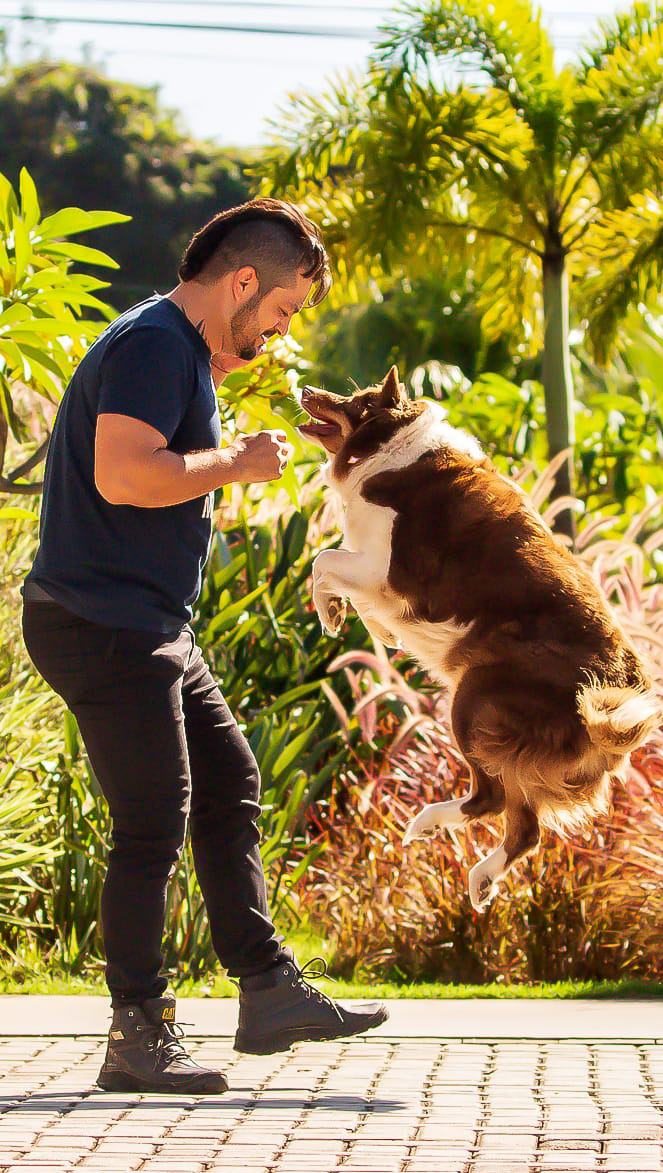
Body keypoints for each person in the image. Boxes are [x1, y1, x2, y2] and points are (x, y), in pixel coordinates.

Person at [21, 198, 387, 1095]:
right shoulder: (155, 344)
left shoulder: (175, 348)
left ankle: (265, 991)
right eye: (284, 308)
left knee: (229, 782)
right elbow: (122, 472)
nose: (281, 326)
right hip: (103, 620)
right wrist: (238, 463)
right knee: (152, 821)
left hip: (147, 624)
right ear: (244, 280)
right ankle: (136, 1034)